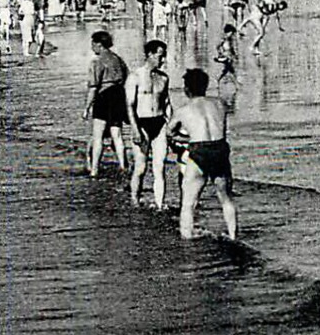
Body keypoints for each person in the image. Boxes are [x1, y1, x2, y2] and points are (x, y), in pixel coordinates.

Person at [167, 68, 238, 241]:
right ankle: (233, 236)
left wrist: (183, 139)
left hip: (199, 150)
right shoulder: (220, 103)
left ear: (186, 89)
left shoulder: (183, 110)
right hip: (220, 149)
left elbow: (169, 132)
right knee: (226, 199)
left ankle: (187, 239)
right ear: (206, 86)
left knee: (188, 203)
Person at [127, 39, 173, 210]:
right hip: (142, 123)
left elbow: (167, 103)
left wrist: (171, 126)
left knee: (159, 167)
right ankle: (134, 200)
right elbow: (129, 106)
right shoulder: (135, 77)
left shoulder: (163, 78)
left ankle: (160, 204)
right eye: (160, 56)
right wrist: (134, 129)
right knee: (140, 167)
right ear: (150, 55)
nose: (163, 60)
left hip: (159, 123)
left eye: (164, 56)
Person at [85, 30, 131, 177]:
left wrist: (87, 107)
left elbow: (93, 87)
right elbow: (127, 78)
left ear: (99, 44)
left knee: (98, 135)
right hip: (118, 96)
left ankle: (94, 169)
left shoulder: (97, 62)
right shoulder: (118, 60)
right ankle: (124, 166)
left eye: (93, 43)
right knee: (117, 134)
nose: (92, 47)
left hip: (104, 96)